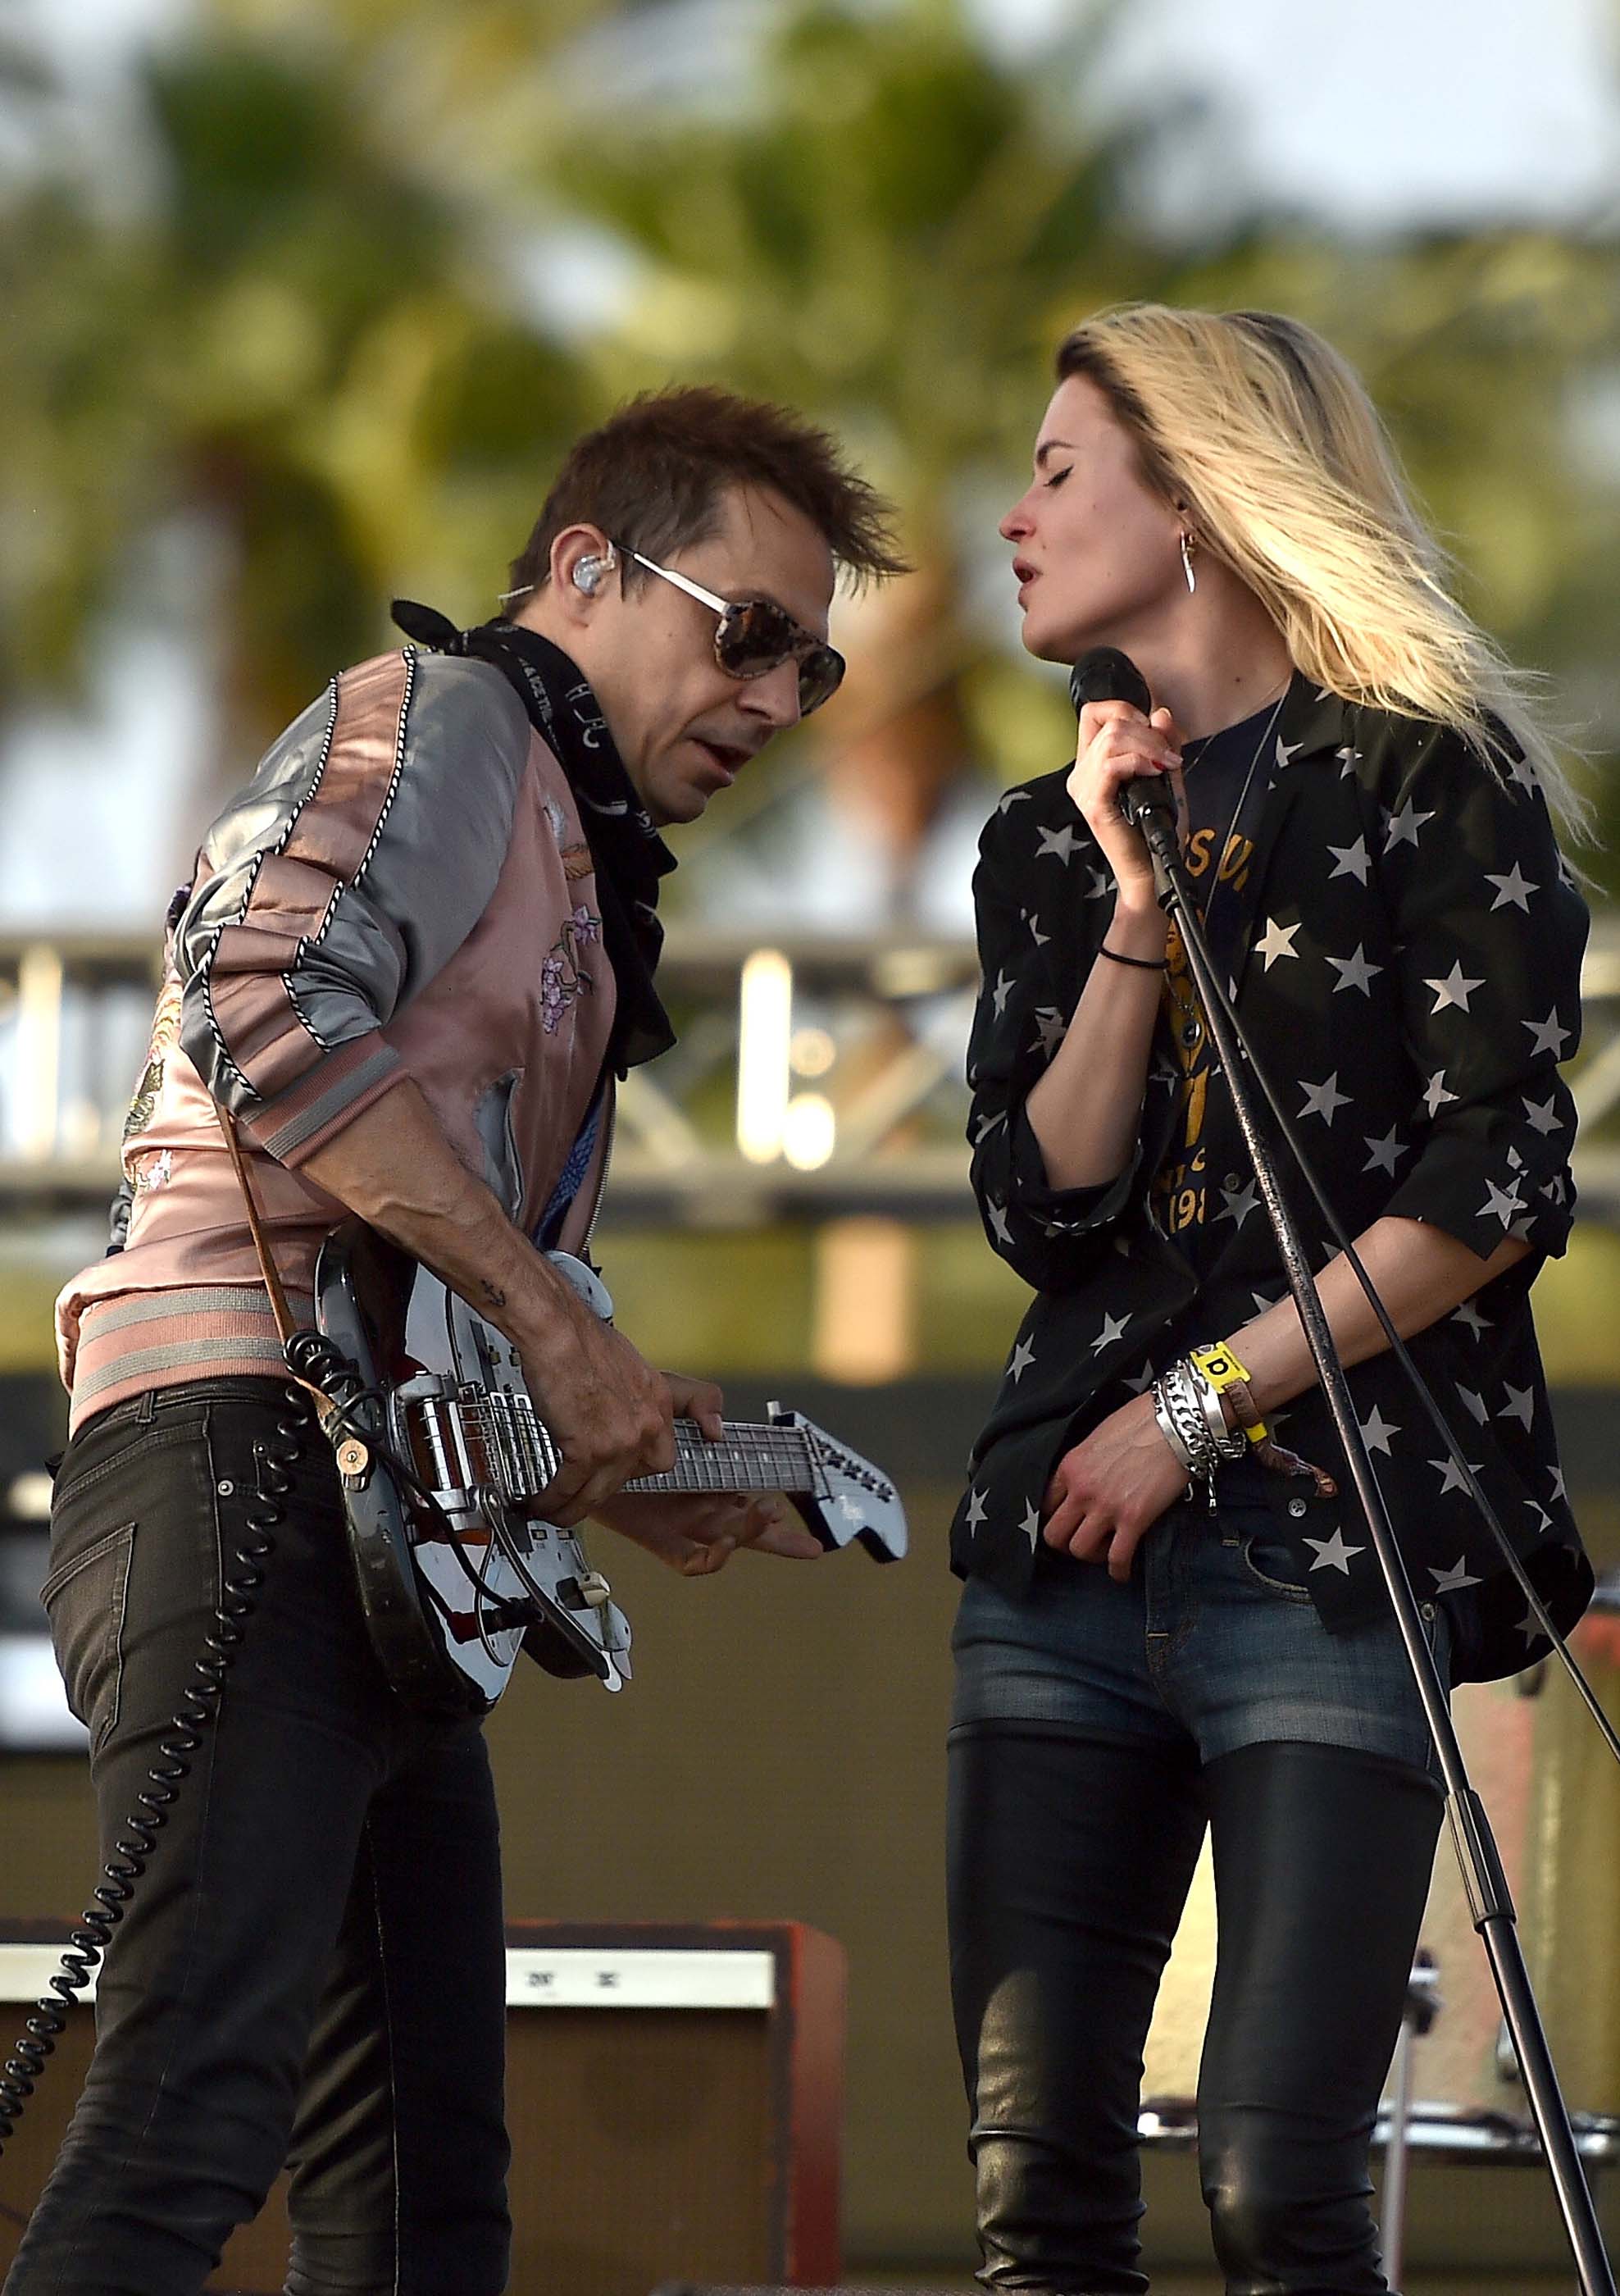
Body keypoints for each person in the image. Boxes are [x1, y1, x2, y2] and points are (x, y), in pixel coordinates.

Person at [9, 385, 905, 2296]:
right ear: (586, 566)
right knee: (188, 2114)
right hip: (240, 1461)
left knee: (427, 2197)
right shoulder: (451, 718)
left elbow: (444, 1281)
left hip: (360, 1527)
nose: (774, 697)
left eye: (814, 670)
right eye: (743, 631)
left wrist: (608, 1442)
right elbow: (252, 989)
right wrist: (539, 1319)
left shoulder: (576, 863)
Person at [946, 304, 1593, 2296]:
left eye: (1058, 471)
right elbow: (1041, 1205)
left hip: (1326, 1551)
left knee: (1271, 2181)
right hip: (1057, 1573)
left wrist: (1200, 1405)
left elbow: (1491, 1180)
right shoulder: (1047, 847)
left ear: (1200, 496)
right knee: (1034, 2192)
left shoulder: (1422, 785)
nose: (1010, 517)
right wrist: (1132, 910)